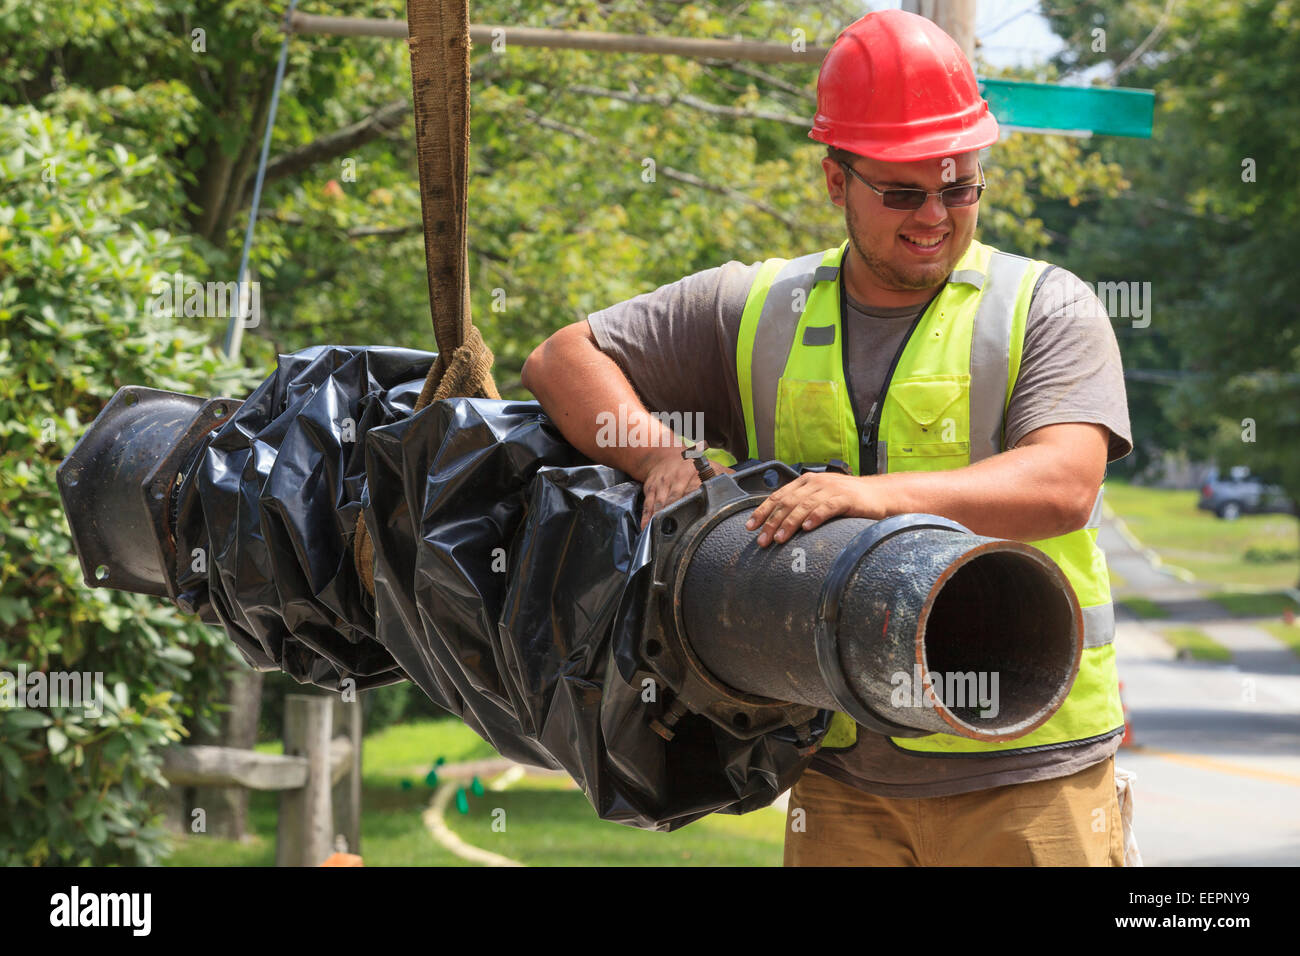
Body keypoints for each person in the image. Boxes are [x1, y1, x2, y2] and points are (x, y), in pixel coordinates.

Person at [522, 8, 1132, 866]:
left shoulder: (1045, 305)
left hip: (1027, 771)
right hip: (840, 774)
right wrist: (659, 455)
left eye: (960, 189)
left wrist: (869, 495)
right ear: (834, 180)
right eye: (903, 192)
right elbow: (561, 358)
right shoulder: (758, 310)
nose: (935, 216)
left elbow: (1064, 486)